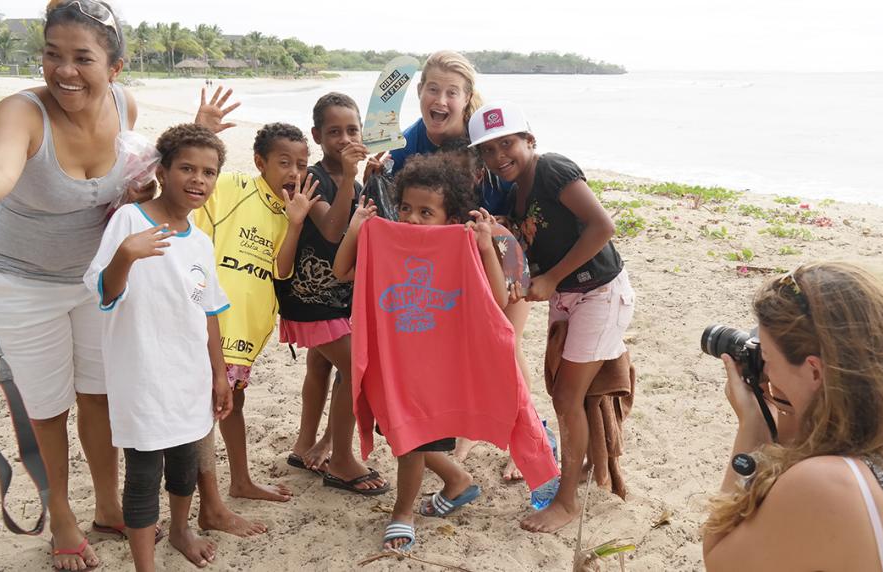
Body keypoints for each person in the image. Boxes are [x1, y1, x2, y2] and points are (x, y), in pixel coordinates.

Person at [0, 2, 235, 568]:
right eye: (53, 55)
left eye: (83, 58)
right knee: (47, 405)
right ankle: (62, 516)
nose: (65, 71)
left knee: (101, 394)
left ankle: (108, 506)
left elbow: (144, 170)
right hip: (22, 280)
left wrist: (198, 131)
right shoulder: (21, 111)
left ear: (116, 67)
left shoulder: (125, 108)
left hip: (101, 277)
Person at [702, 262, 883, 571]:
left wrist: (753, 427)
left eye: (767, 358)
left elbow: (721, 560)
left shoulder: (827, 486)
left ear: (814, 370)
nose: (766, 371)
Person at [469, 101, 637, 533]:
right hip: (569, 297)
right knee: (569, 395)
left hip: (599, 293)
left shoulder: (553, 170)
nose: (499, 156)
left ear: (530, 140)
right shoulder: (514, 191)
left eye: (507, 143)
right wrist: (498, 231)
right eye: (487, 150)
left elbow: (602, 226)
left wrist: (552, 278)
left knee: (566, 398)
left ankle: (566, 503)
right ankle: (578, 466)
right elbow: (530, 242)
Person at [333, 154, 514, 551]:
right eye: (406, 208)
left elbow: (498, 299)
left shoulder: (462, 244)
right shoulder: (386, 240)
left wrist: (485, 248)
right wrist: (356, 227)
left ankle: (403, 512)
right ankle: (458, 480)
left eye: (425, 211)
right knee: (408, 438)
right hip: (396, 367)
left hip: (438, 374)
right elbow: (342, 270)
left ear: (449, 219)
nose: (412, 218)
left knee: (413, 445)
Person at [83, 124, 233, 571]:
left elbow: (208, 311)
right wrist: (126, 254)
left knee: (186, 463)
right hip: (143, 377)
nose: (198, 180)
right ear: (162, 171)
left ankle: (183, 527)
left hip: (189, 376)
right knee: (144, 473)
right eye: (187, 167)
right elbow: (103, 291)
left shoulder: (201, 242)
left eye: (209, 172)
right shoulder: (130, 221)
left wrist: (220, 374)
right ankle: (145, 565)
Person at [193, 122, 322, 530]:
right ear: (259, 162)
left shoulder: (291, 209)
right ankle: (210, 504)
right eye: (284, 162)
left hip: (247, 330)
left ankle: (240, 480)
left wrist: (296, 222)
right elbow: (192, 187)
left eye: (301, 164)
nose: (294, 172)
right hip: (208, 322)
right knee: (204, 411)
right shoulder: (232, 188)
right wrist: (201, 130)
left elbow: (280, 271)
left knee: (233, 403)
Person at [273, 92, 389, 493]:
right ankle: (341, 459)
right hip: (309, 299)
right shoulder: (314, 178)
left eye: (352, 130)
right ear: (317, 135)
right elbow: (333, 230)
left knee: (322, 367)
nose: (344, 138)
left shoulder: (352, 181)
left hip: (335, 298)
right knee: (360, 368)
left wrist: (367, 180)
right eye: (334, 131)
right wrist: (349, 178)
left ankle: (307, 444)